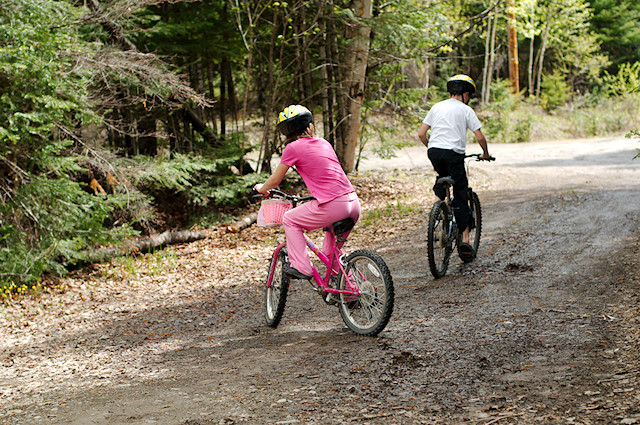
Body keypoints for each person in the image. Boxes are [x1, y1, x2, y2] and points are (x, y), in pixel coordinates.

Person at [254, 105, 360, 280]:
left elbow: (275, 179)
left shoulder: (292, 148)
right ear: (309, 126)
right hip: (352, 202)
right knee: (331, 253)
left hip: (333, 206)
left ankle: (302, 267)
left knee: (289, 218)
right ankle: (352, 293)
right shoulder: (324, 143)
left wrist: (261, 189)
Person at [416, 74, 491, 262]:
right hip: (454, 154)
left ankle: (436, 210)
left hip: (434, 152)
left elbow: (421, 134)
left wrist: (433, 148)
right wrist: (485, 153)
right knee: (460, 192)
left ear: (451, 91)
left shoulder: (436, 107)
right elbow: (480, 137)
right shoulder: (466, 110)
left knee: (442, 177)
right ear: (465, 94)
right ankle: (465, 240)